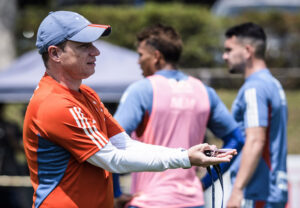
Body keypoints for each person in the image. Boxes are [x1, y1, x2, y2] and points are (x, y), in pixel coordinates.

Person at [22, 11, 237, 208]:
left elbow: (123, 144)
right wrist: (185, 158)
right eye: (83, 46)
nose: (95, 51)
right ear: (55, 53)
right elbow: (113, 158)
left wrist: (184, 155)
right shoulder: (55, 103)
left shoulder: (87, 94)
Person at [113, 24, 244, 208]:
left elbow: (113, 139)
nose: (138, 61)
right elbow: (236, 139)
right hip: (192, 201)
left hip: (149, 202)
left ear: (156, 56)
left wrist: (116, 192)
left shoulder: (141, 90)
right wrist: (204, 184)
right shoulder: (204, 91)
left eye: (141, 55)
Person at [223, 22, 288, 208]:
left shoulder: (254, 88)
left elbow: (255, 140)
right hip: (273, 189)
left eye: (229, 50)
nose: (224, 56)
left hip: (257, 191)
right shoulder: (273, 84)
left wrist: (237, 190)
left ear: (247, 50)